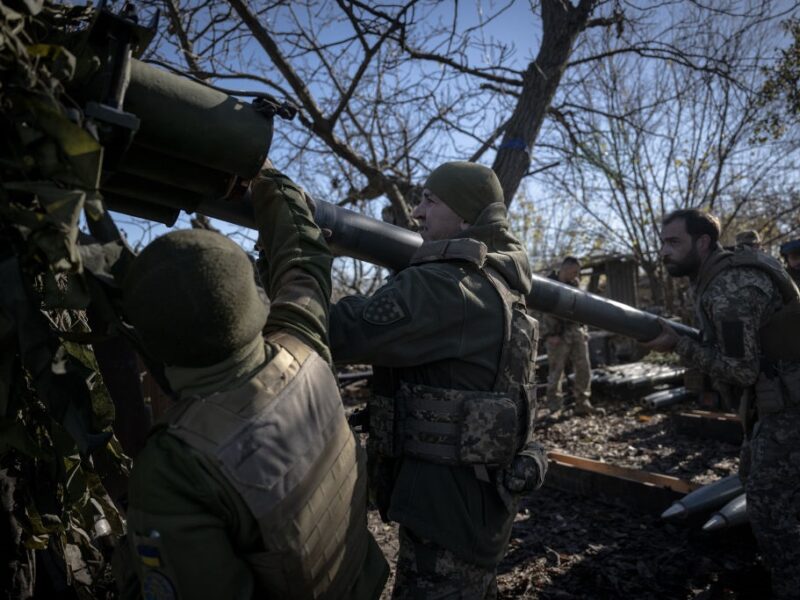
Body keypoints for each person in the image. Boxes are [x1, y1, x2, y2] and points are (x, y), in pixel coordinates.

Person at [117, 167, 388, 599]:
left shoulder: (173, 468)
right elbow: (304, 260)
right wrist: (269, 180)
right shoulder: (302, 344)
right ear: (252, 301)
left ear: (149, 341)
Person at [329, 162, 548, 599]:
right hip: (478, 504)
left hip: (445, 513)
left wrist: (301, 257)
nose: (417, 212)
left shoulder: (449, 286)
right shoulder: (502, 281)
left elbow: (341, 331)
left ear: (466, 217)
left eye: (431, 200)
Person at [643, 208, 800, 600]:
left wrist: (678, 345)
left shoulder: (731, 288)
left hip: (791, 409)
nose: (664, 251)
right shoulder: (716, 276)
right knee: (754, 479)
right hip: (776, 404)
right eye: (662, 242)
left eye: (673, 242)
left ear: (703, 242)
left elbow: (741, 370)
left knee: (768, 507)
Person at [541, 257, 602, 417]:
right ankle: (555, 407)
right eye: (574, 271)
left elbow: (582, 309)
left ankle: (583, 402)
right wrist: (548, 335)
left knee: (584, 368)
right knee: (556, 372)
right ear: (565, 269)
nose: (576, 275)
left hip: (576, 331)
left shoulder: (576, 285)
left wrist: (584, 329)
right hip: (556, 335)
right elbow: (536, 312)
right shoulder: (547, 284)